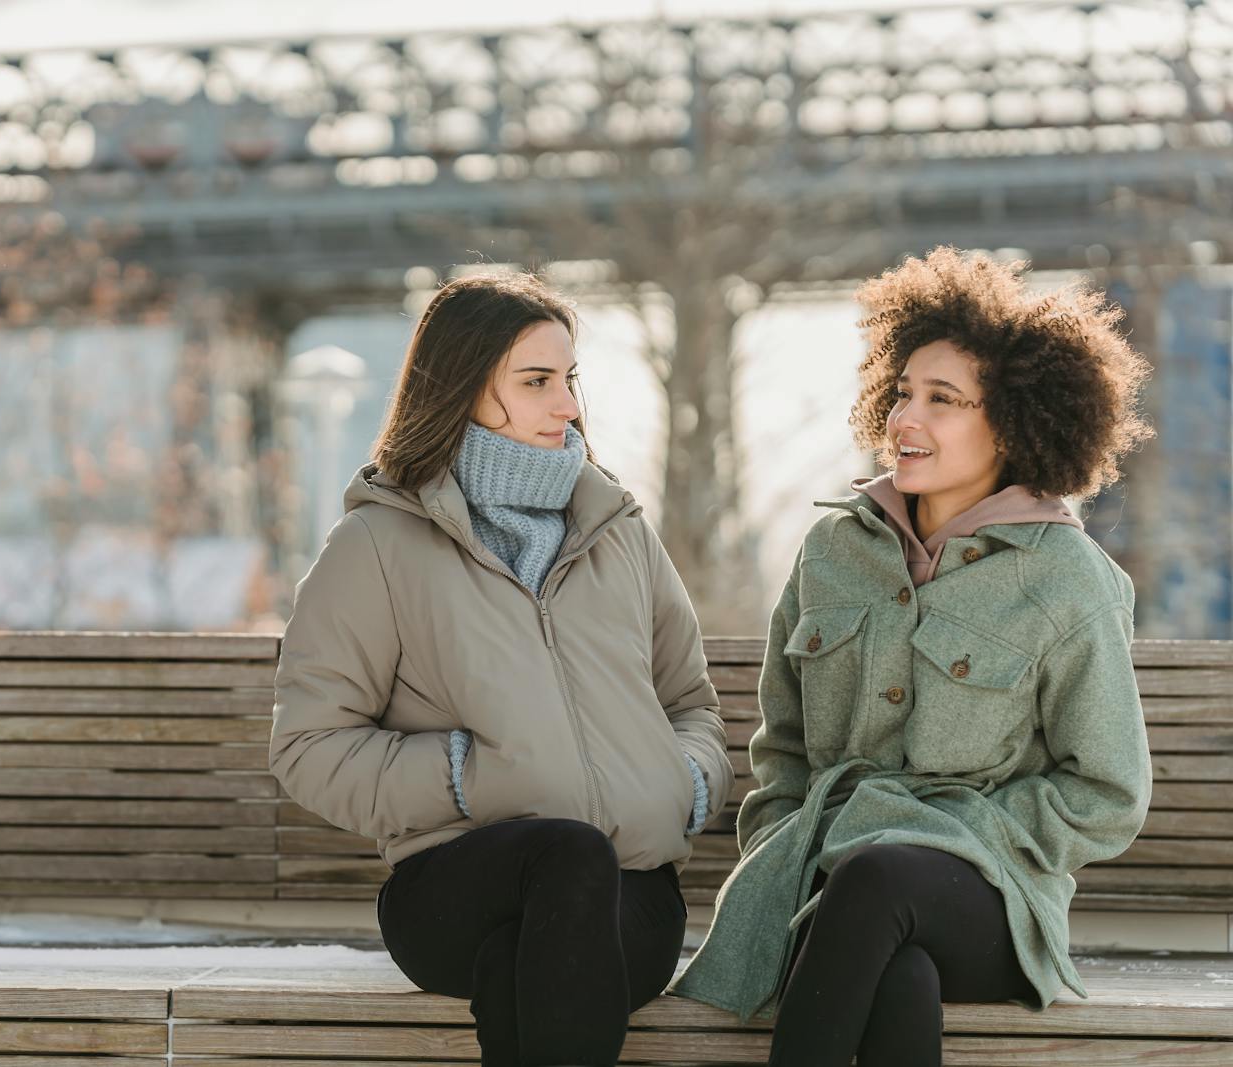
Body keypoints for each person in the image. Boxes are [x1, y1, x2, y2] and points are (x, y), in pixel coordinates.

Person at [672, 246, 1156, 1067]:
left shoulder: (1067, 579)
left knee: (880, 879)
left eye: (944, 399)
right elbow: (782, 751)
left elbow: (1107, 789)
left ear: (1013, 423)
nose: (907, 418)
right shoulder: (832, 552)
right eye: (902, 393)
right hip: (823, 885)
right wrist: (782, 842)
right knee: (898, 978)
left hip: (989, 895)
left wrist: (972, 832)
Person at [270, 270, 734, 1067]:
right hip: (454, 886)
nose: (570, 406)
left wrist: (681, 779)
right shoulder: (379, 546)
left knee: (531, 956)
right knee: (564, 857)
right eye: (537, 381)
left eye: (570, 380)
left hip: (631, 895)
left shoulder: (618, 531)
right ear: (463, 388)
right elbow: (309, 746)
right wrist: (461, 774)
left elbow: (690, 704)